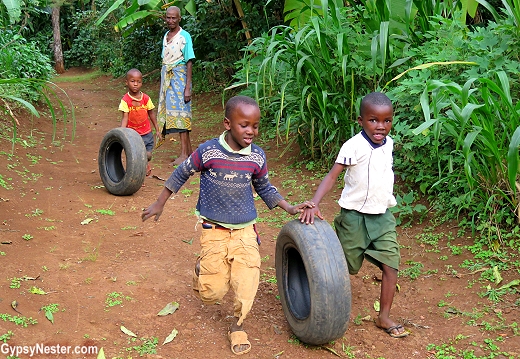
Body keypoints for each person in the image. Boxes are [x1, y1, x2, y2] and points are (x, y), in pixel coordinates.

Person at [142, 95, 313, 355]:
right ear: (227, 124)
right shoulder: (209, 151)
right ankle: (202, 269)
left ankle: (237, 324)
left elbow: (264, 186)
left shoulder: (256, 156)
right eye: (244, 124)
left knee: (247, 282)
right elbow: (182, 172)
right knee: (211, 293)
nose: (251, 131)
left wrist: (288, 207)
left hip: (245, 229)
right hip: (214, 229)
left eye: (255, 125)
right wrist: (160, 202)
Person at [299, 92, 409, 338]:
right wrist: (314, 203)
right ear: (361, 120)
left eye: (387, 120)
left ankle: (384, 316)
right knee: (343, 267)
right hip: (354, 217)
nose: (380, 126)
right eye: (373, 120)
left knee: (391, 265)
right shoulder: (352, 146)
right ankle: (310, 287)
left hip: (382, 216)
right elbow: (332, 176)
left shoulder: (389, 144)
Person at [157, 5, 195, 166]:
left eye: (174, 18)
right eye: (168, 17)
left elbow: (189, 62)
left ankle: (184, 154)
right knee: (174, 115)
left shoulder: (184, 36)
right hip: (168, 80)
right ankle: (189, 153)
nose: (170, 20)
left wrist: (187, 87)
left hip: (180, 79)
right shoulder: (166, 36)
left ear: (179, 18)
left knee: (182, 115)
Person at [119, 68, 160, 178]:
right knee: (134, 158)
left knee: (147, 155)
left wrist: (157, 129)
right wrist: (122, 133)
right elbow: (125, 117)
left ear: (141, 82)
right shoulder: (125, 100)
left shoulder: (146, 98)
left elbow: (151, 114)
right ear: (126, 82)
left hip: (147, 134)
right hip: (132, 135)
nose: (135, 84)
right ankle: (136, 178)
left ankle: (145, 163)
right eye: (132, 81)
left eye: (139, 81)